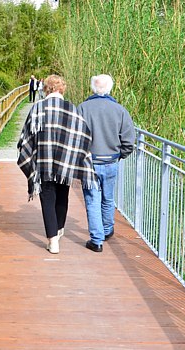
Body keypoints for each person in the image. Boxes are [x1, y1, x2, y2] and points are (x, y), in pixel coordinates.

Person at [17, 74, 96, 254]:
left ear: (46, 89)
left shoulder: (38, 107)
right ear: (62, 89)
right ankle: (59, 229)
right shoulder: (71, 109)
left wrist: (26, 150)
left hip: (44, 162)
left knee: (47, 197)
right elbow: (83, 135)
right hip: (65, 163)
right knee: (62, 195)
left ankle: (53, 241)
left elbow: (26, 136)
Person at [77, 74, 135, 253]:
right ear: (110, 88)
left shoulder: (82, 108)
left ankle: (97, 239)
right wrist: (120, 155)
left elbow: (75, 137)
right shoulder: (119, 110)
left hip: (90, 161)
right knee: (108, 198)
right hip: (111, 161)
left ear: (93, 88)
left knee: (92, 199)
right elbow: (128, 140)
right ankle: (108, 229)